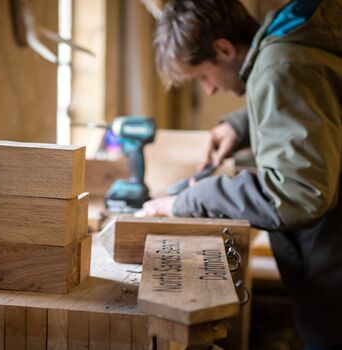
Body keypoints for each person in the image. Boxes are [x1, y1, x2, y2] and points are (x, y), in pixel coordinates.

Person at [136, 0, 342, 349]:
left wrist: (190, 199)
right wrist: (241, 124)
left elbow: (297, 195)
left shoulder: (281, 66)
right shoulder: (291, 36)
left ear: (224, 48)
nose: (209, 90)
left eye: (202, 76)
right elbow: (321, 95)